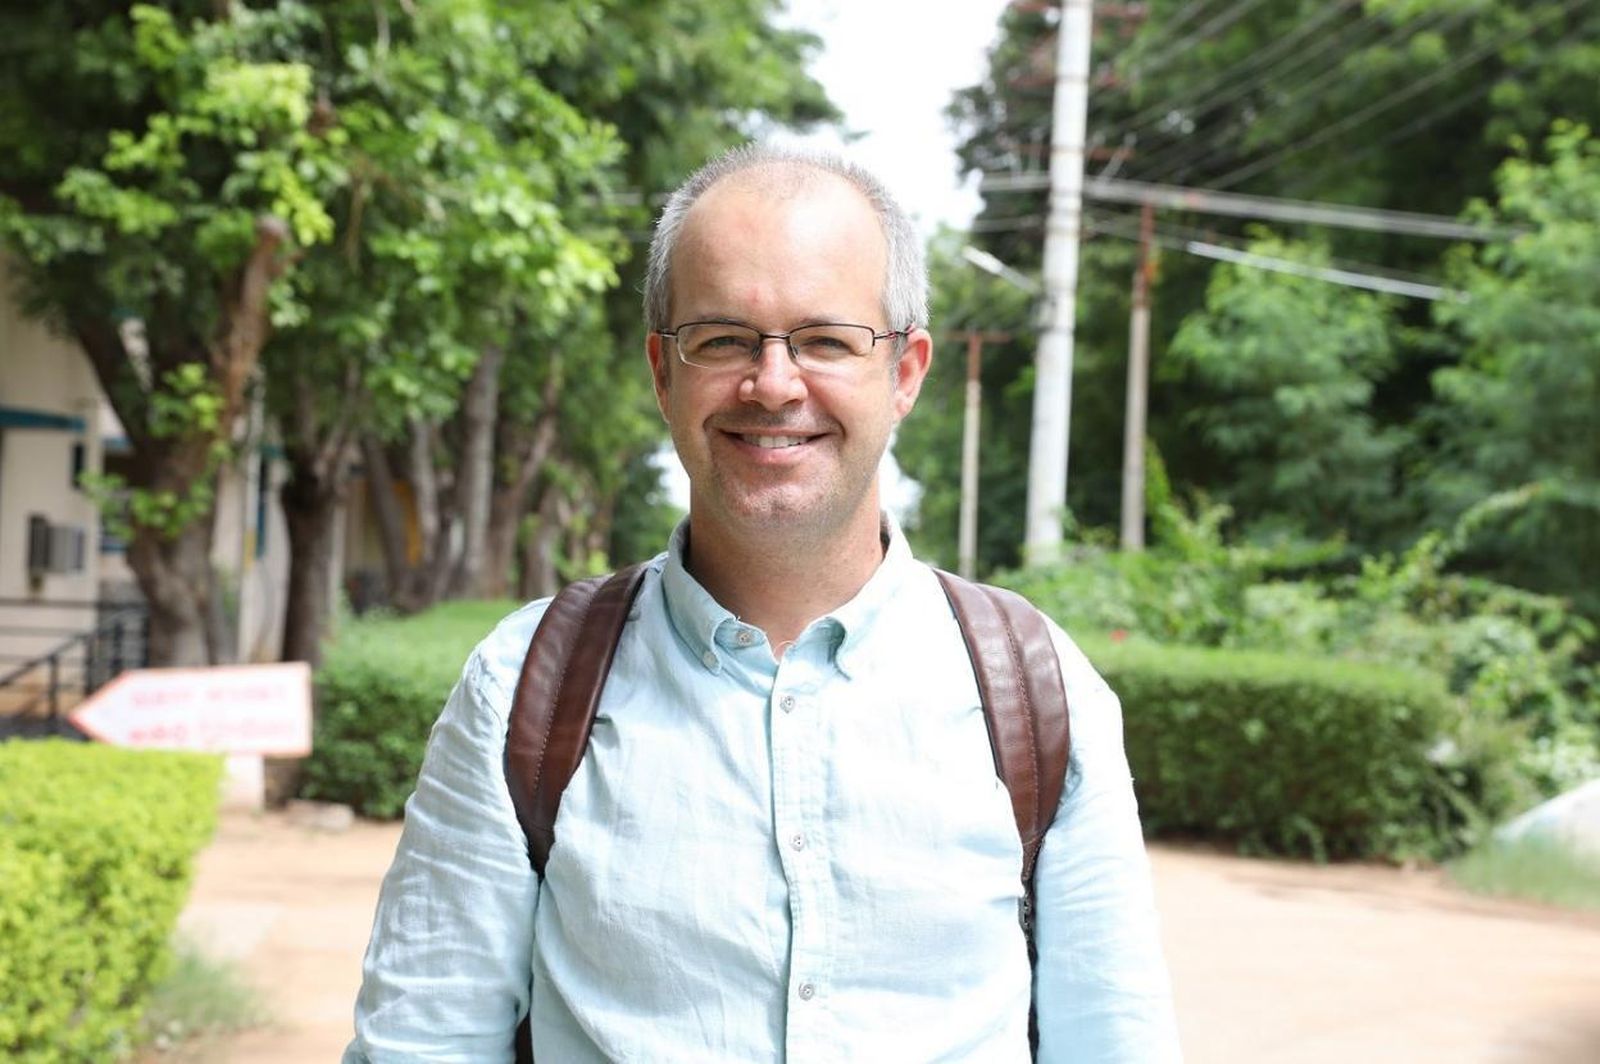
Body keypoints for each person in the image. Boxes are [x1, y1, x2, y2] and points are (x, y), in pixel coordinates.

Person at [344, 144, 1181, 1062]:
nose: (774, 384)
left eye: (826, 339)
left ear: (905, 372)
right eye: (723, 340)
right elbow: (422, 1045)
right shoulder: (523, 690)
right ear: (663, 373)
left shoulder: (1036, 689)